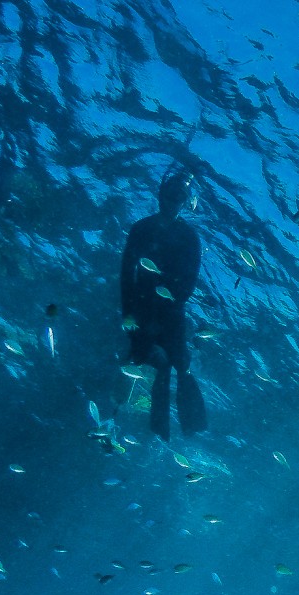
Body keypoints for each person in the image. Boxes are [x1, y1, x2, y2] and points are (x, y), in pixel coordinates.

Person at [121, 169, 206, 439]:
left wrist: (169, 306)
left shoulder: (190, 237)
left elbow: (190, 281)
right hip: (141, 308)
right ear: (160, 195)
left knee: (179, 364)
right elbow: (126, 274)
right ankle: (157, 430)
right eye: (169, 195)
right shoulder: (141, 229)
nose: (172, 202)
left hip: (171, 312)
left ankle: (188, 428)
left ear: (184, 202)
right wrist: (129, 314)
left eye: (179, 197)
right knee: (153, 361)